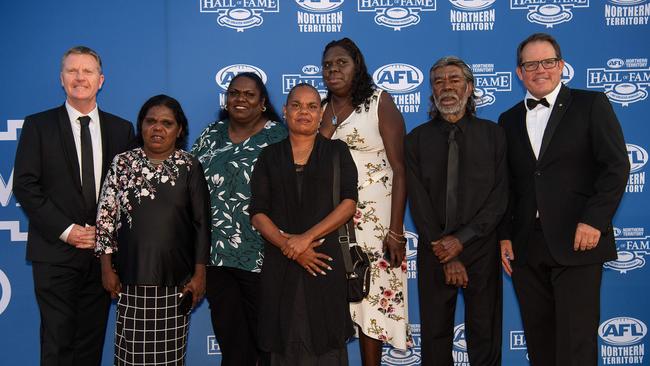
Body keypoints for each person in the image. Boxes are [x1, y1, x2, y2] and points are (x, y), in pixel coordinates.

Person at [498, 33, 630, 365]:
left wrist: (594, 220)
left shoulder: (591, 104)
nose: (539, 70)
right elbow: (508, 186)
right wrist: (504, 235)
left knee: (575, 346)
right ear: (519, 72)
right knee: (540, 345)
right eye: (530, 64)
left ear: (561, 66)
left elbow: (616, 167)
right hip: (528, 249)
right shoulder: (508, 119)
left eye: (547, 62)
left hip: (579, 241)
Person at [13, 46, 134, 366]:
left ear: (101, 80)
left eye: (88, 71)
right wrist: (67, 231)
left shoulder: (122, 130)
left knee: (90, 344)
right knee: (57, 342)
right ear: (61, 78)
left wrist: (105, 237)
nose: (80, 77)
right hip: (55, 254)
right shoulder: (38, 126)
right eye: (72, 70)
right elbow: (25, 185)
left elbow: (128, 193)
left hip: (102, 258)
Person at [405, 56, 507, 366]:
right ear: (431, 92)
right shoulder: (416, 139)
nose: (446, 86)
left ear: (469, 87)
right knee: (435, 338)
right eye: (438, 81)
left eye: (454, 79)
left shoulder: (493, 134)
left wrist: (461, 240)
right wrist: (444, 246)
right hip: (434, 248)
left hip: (481, 247)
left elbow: (500, 196)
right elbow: (417, 200)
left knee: (485, 335)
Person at [95, 94, 210, 366]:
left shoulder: (189, 166)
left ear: (179, 129)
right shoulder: (122, 163)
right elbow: (106, 216)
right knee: (130, 357)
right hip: (130, 279)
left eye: (167, 123)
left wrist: (200, 274)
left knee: (169, 359)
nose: (158, 128)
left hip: (176, 282)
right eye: (151, 121)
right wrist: (106, 268)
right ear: (141, 125)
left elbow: (202, 223)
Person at [250, 83, 357, 365]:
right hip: (280, 266)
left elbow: (348, 204)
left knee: (327, 346)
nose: (304, 112)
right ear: (285, 111)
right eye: (296, 105)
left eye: (312, 106)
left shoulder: (337, 152)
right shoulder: (269, 156)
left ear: (321, 114)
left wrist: (304, 239)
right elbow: (258, 213)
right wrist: (290, 246)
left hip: (324, 263)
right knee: (283, 343)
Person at [319, 37, 411, 364]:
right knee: (339, 304)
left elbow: (401, 169)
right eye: (327, 65)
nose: (333, 69)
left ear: (357, 65)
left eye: (341, 62)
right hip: (333, 222)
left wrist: (396, 230)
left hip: (377, 224)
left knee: (371, 304)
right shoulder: (318, 108)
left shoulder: (379, 102)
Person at [190, 72, 287, 366]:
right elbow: (190, 184)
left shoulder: (279, 137)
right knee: (232, 343)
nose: (240, 99)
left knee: (269, 343)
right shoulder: (211, 134)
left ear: (262, 103)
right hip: (217, 256)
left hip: (263, 254)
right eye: (234, 93)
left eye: (249, 94)